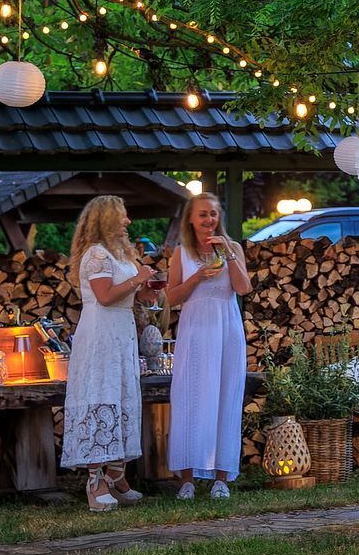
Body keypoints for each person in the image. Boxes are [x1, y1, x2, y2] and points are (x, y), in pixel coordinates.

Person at [62, 195, 159, 512]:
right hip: (100, 334)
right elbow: (104, 296)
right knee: (100, 398)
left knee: (121, 398)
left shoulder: (119, 254)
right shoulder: (96, 255)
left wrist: (145, 289)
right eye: (122, 216)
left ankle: (117, 475)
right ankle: (95, 481)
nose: (127, 222)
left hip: (121, 333)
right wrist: (138, 278)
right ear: (105, 220)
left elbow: (126, 291)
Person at [165, 192, 253, 499]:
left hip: (226, 328)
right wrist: (197, 277)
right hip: (195, 330)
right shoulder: (181, 253)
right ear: (191, 219)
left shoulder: (234, 248)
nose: (209, 220)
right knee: (190, 398)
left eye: (213, 214)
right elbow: (171, 297)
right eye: (203, 214)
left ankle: (221, 479)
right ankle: (187, 479)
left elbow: (243, 288)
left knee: (226, 396)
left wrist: (228, 252)